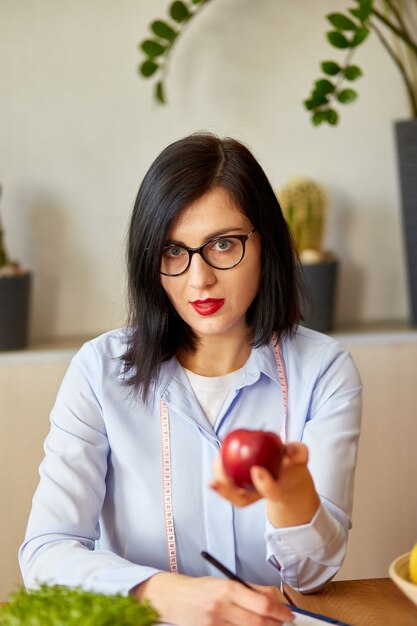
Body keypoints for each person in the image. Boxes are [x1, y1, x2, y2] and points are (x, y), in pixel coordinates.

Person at [19, 132, 362, 626]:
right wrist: (160, 593)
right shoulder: (99, 370)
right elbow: (45, 554)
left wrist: (290, 494)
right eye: (173, 251)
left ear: (265, 241)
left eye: (223, 244)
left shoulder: (323, 370)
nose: (198, 279)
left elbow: (311, 576)